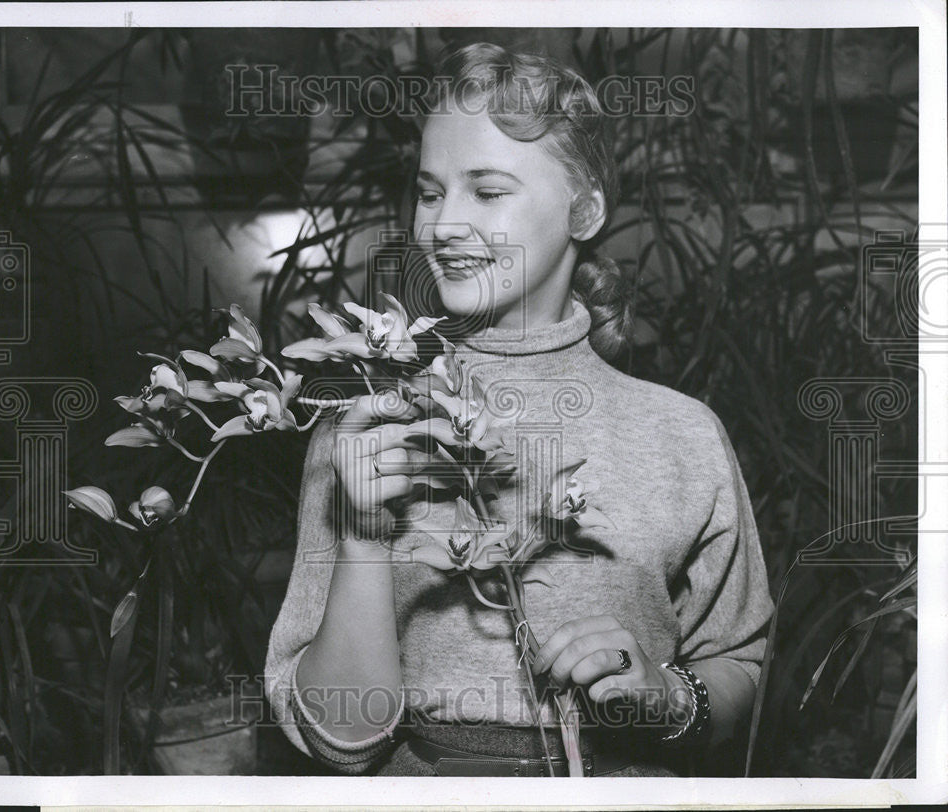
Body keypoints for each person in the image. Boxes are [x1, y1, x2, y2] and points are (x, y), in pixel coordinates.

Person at [265, 41, 775, 777]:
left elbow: (740, 667)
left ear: (586, 209)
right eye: (431, 191)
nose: (442, 227)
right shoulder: (369, 420)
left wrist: (661, 694)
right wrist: (365, 535)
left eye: (488, 191)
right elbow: (344, 738)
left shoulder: (682, 433)